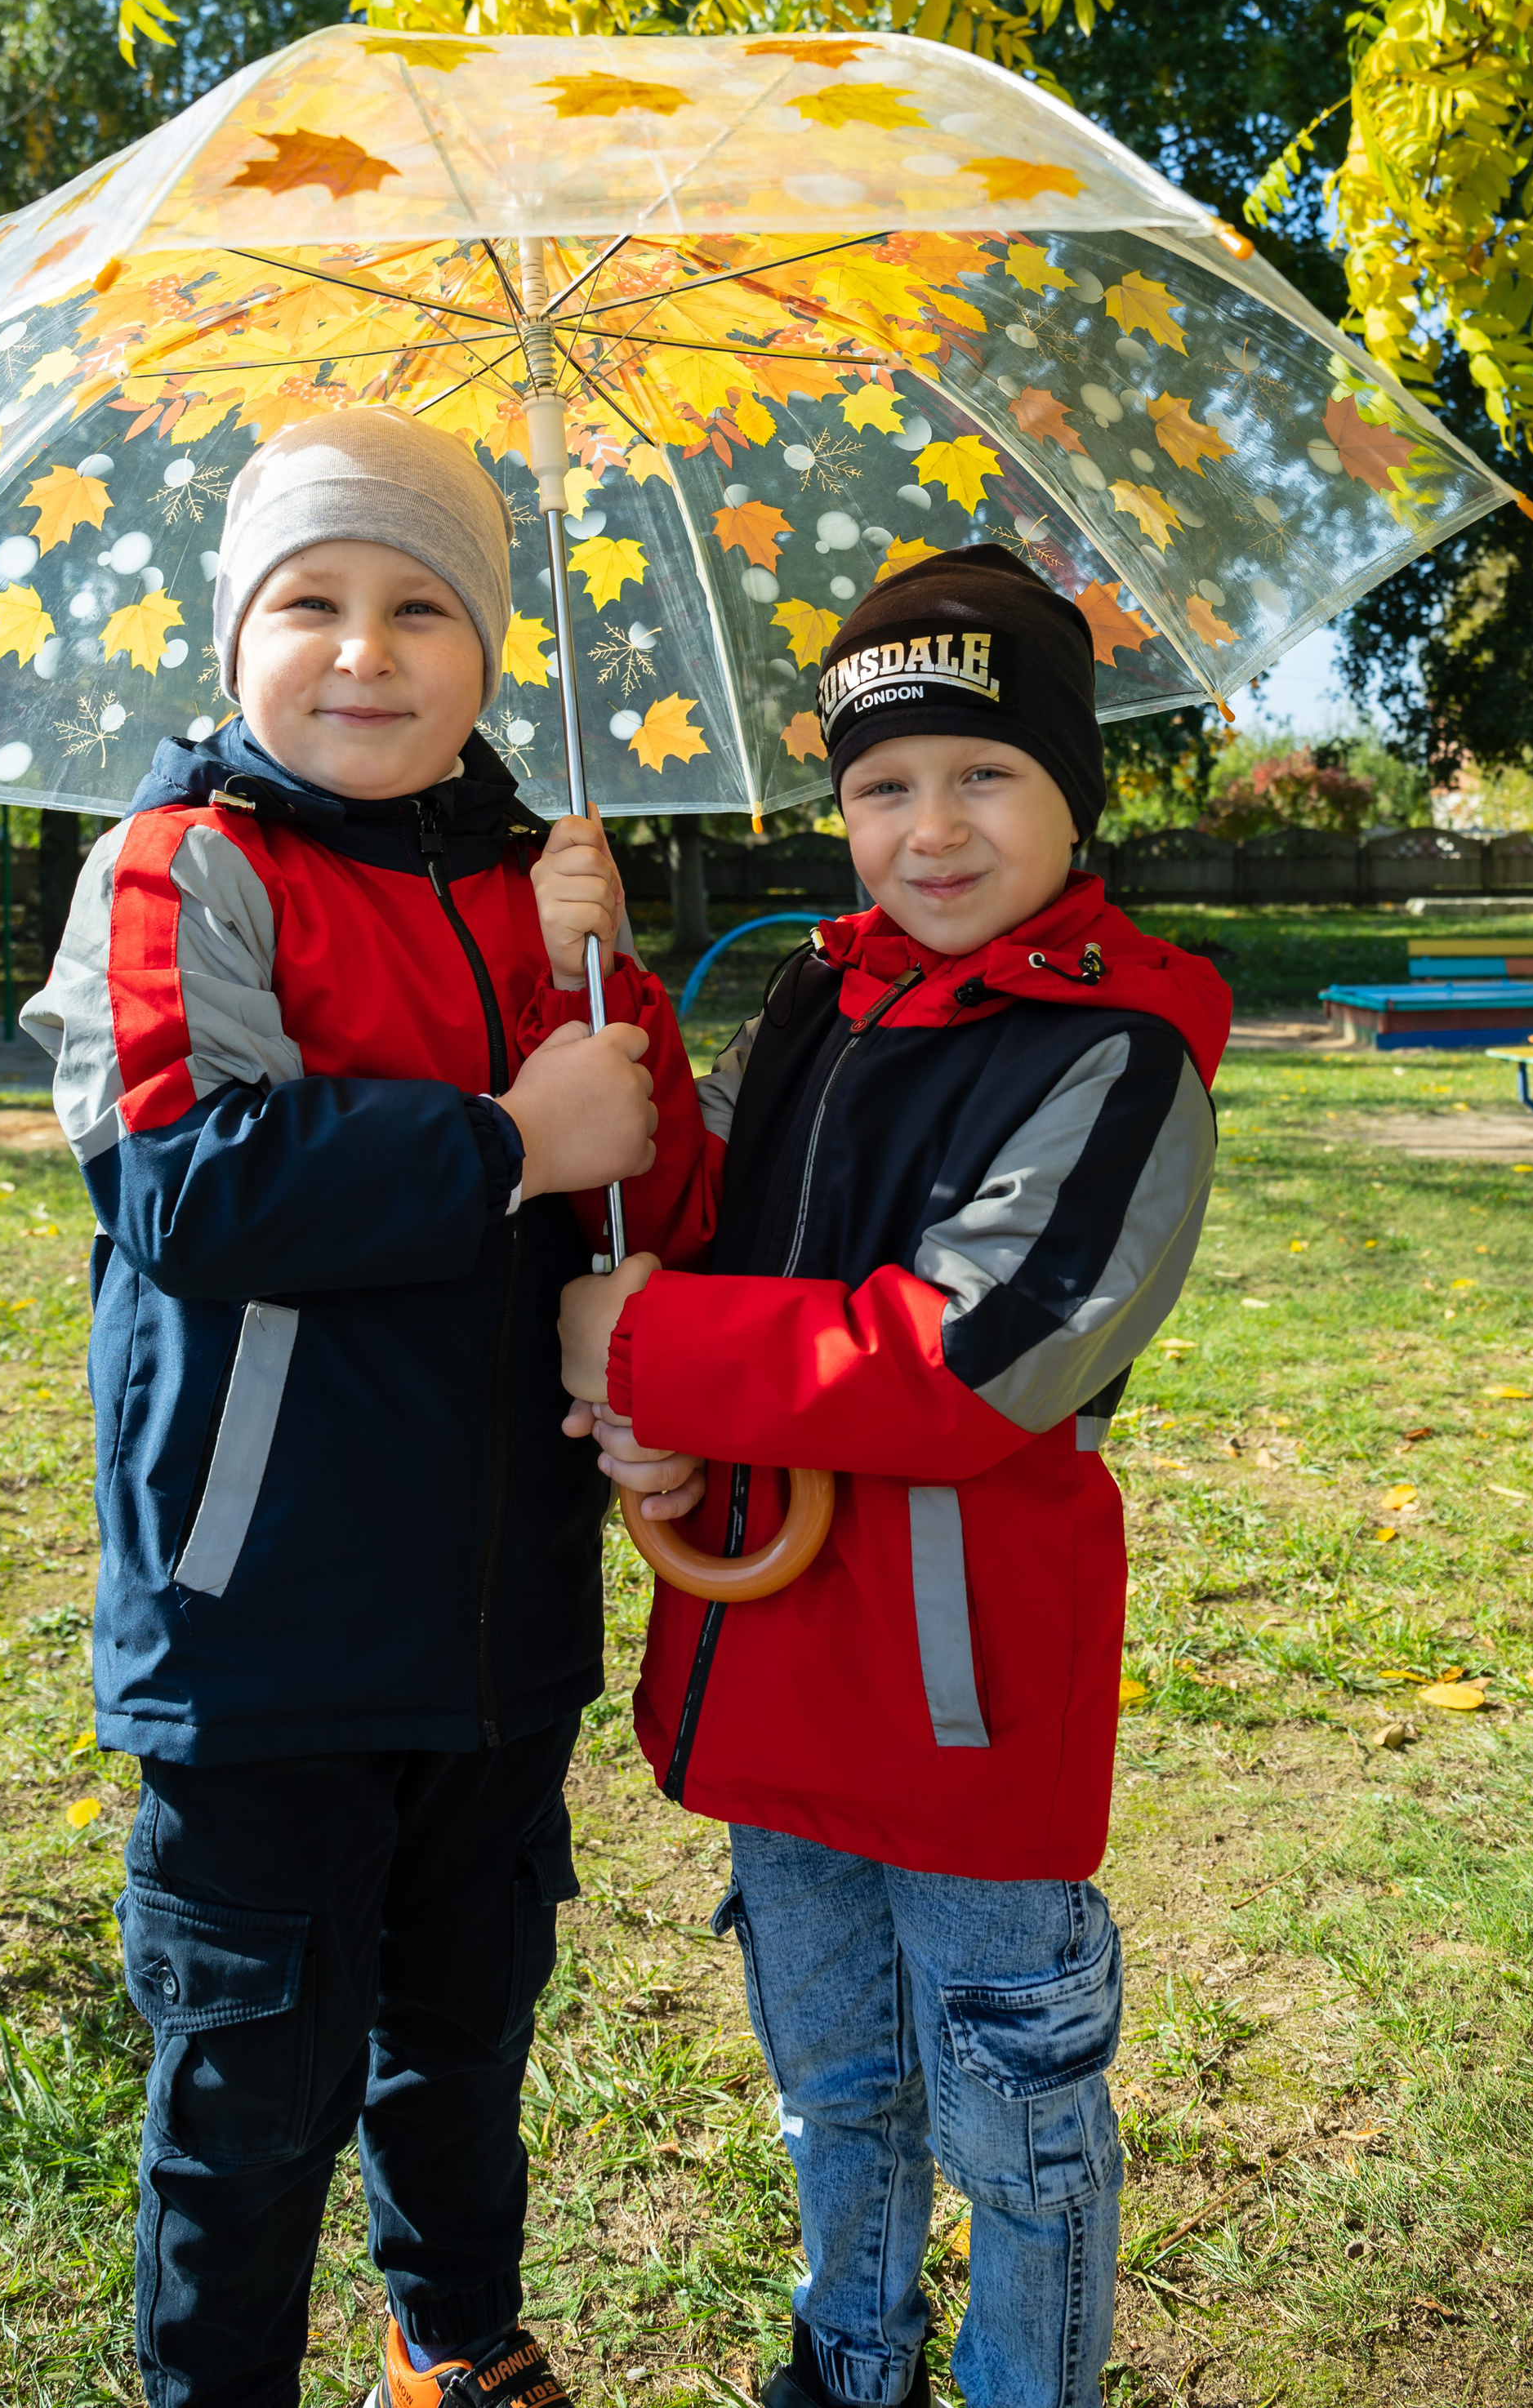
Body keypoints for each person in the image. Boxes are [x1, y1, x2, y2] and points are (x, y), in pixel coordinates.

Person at [23, 407, 712, 2408]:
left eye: (423, 607)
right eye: (309, 602)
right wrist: (502, 1135)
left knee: (463, 2020)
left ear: (490, 655)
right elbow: (187, 1179)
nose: (363, 648)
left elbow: (645, 1186)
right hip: (261, 1624)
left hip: (496, 1615)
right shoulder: (184, 869)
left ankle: (456, 2337)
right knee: (254, 2066)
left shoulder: (536, 886)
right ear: (230, 637)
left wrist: (610, 997)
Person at [556, 544, 1232, 2408]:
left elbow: (964, 1363)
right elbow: (724, 1241)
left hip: (960, 1706)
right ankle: (850, 2358)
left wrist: (638, 1351)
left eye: (983, 775)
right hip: (774, 1659)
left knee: (1010, 2125)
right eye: (879, 787)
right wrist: (618, 1053)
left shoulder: (1118, 1047)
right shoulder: (817, 1002)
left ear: (1072, 793)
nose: (928, 831)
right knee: (831, 2081)